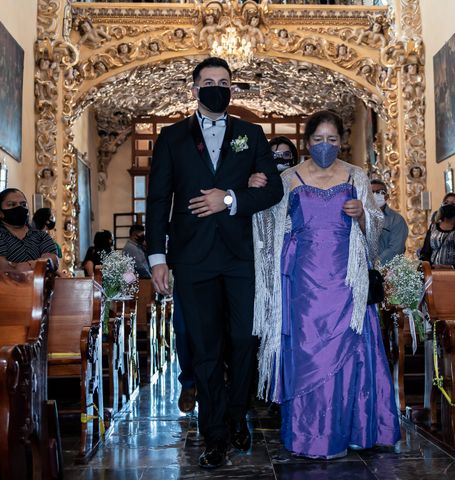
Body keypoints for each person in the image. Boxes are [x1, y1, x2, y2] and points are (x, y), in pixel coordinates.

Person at [145, 57, 283, 469]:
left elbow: (272, 189)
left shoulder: (251, 134)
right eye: (208, 82)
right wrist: (157, 258)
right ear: (194, 89)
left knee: (243, 340)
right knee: (205, 349)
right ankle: (215, 435)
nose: (216, 88)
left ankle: (238, 410)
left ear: (232, 90)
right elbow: (157, 201)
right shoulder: (171, 138)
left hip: (241, 256)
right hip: (193, 258)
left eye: (223, 82)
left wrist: (231, 197)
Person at [253, 110, 400, 460]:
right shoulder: (289, 177)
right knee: (307, 352)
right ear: (307, 142)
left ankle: (353, 429)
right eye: (318, 140)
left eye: (332, 140)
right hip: (304, 278)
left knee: (351, 353)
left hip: (347, 278)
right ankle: (311, 433)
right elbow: (270, 229)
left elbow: (377, 230)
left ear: (341, 142)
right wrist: (255, 196)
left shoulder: (356, 175)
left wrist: (363, 215)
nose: (325, 146)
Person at [0, 188, 58, 272]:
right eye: (11, 204)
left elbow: (52, 262)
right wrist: (38, 265)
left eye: (23, 204)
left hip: (40, 284)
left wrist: (18, 266)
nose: (19, 207)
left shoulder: (42, 236)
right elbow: (2, 269)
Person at [419, 193, 455, 269]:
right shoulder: (433, 227)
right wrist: (427, 266)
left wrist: (451, 267)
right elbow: (426, 251)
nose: (448, 205)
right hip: (433, 272)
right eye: (446, 203)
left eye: (453, 204)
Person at [370, 179, 408, 265]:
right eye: (372, 192)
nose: (375, 195)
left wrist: (375, 264)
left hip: (387, 271)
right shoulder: (360, 217)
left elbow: (396, 249)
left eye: (380, 192)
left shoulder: (396, 220)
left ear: (386, 197)